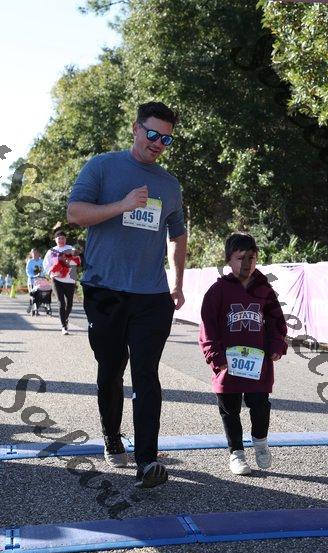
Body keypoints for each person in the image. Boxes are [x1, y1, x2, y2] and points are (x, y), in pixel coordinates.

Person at [67, 101, 187, 489]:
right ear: (136, 129)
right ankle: (111, 437)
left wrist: (177, 282)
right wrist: (122, 205)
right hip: (105, 289)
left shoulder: (170, 185)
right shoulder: (102, 166)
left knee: (146, 373)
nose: (158, 143)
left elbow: (177, 235)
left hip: (151, 294)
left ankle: (147, 461)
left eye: (166, 139)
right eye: (152, 134)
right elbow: (75, 214)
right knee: (111, 369)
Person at [199, 233, 287, 476]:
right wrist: (215, 356)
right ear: (229, 260)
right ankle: (236, 453)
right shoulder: (217, 291)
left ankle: (260, 442)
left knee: (260, 406)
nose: (247, 263)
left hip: (258, 364)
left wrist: (276, 345)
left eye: (252, 258)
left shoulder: (265, 291)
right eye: (241, 258)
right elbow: (208, 326)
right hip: (228, 364)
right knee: (230, 410)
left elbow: (277, 322)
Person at [43, 231, 81, 335]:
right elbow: (46, 264)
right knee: (61, 303)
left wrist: (70, 262)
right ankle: (64, 326)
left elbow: (77, 260)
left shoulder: (71, 249)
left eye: (63, 238)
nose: (61, 240)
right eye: (59, 238)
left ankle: (65, 318)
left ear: (66, 239)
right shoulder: (51, 251)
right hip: (56, 280)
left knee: (69, 304)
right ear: (55, 239)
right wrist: (53, 272)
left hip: (70, 279)